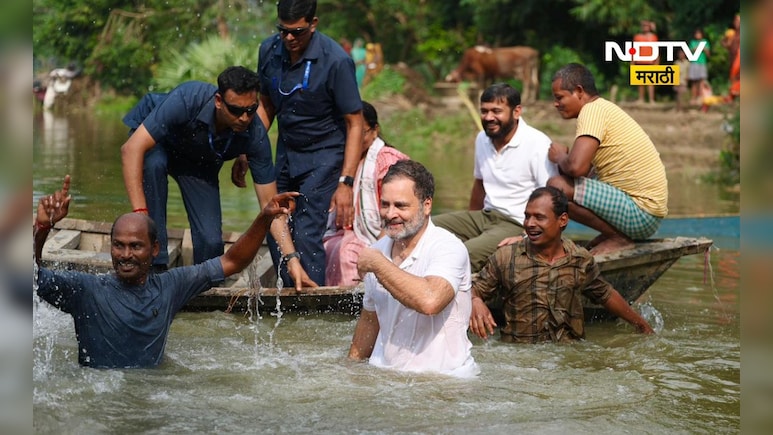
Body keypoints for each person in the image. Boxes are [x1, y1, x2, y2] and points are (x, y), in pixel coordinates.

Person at [34, 175, 299, 368]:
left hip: (149, 394)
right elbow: (29, 279)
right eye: (119, 246)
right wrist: (42, 228)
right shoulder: (86, 290)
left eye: (136, 246)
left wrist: (264, 219)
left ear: (154, 249)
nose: (126, 255)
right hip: (97, 392)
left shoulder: (171, 286)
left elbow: (232, 261)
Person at [120, 66, 313, 290]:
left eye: (251, 110)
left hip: (198, 160)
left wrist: (292, 259)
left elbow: (272, 207)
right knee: (154, 165)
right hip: (157, 144)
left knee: (211, 242)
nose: (244, 118)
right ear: (219, 101)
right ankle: (155, 264)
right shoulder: (187, 98)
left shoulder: (255, 134)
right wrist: (141, 218)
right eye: (236, 110)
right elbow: (131, 149)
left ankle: (203, 290)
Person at [256, 0, 364, 287]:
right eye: (283, 31)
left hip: (324, 155)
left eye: (298, 31)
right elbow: (265, 106)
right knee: (274, 222)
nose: (289, 38)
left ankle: (310, 310)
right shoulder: (269, 50)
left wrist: (346, 182)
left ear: (313, 24)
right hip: (286, 152)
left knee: (305, 232)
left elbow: (355, 122)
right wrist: (250, 148)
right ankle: (284, 300)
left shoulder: (336, 61)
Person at [469, 187, 655, 343]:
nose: (530, 224)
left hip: (568, 353)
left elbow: (605, 294)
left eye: (539, 217)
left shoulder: (579, 259)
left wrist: (642, 326)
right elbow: (474, 290)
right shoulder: (506, 257)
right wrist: (475, 301)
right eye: (527, 216)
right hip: (520, 357)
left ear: (562, 220)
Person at [348, 160, 478, 378]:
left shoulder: (448, 247)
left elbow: (430, 301)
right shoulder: (377, 250)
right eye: (385, 204)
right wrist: (349, 372)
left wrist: (378, 264)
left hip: (446, 380)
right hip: (384, 376)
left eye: (401, 206)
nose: (390, 214)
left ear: (427, 206)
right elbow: (370, 320)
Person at [433, 83, 558, 271]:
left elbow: (551, 198)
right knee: (425, 228)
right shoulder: (482, 139)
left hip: (515, 222)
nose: (489, 117)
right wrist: (470, 221)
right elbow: (480, 184)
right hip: (485, 216)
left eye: (496, 111)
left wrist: (526, 237)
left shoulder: (537, 143)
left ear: (516, 112)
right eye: (484, 111)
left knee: (464, 254)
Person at [546, 63, 668, 254]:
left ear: (579, 91)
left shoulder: (592, 111)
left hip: (641, 213)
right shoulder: (602, 109)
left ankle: (617, 237)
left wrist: (560, 156)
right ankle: (613, 233)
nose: (556, 103)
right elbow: (583, 173)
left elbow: (576, 168)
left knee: (556, 187)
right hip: (647, 215)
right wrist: (566, 161)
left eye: (560, 97)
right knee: (564, 188)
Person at [323, 101, 408, 286]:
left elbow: (400, 213)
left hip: (386, 235)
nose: (350, 139)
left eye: (357, 132)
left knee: (346, 253)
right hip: (353, 233)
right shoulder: (341, 162)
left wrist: (379, 251)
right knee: (325, 248)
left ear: (375, 130)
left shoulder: (387, 160)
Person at [633, 20, 658, 104]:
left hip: (650, 62)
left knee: (651, 82)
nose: (645, 28)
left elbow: (656, 49)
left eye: (647, 26)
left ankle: (651, 99)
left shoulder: (653, 37)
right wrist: (632, 61)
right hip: (640, 61)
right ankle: (641, 99)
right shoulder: (637, 37)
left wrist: (657, 62)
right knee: (640, 82)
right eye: (644, 26)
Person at [688, 28, 711, 105]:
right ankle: (693, 98)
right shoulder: (692, 42)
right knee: (694, 81)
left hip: (702, 63)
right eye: (696, 34)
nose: (698, 35)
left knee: (701, 81)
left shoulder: (705, 42)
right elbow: (690, 52)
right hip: (694, 62)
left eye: (699, 33)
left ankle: (701, 97)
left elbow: (708, 54)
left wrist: (704, 49)